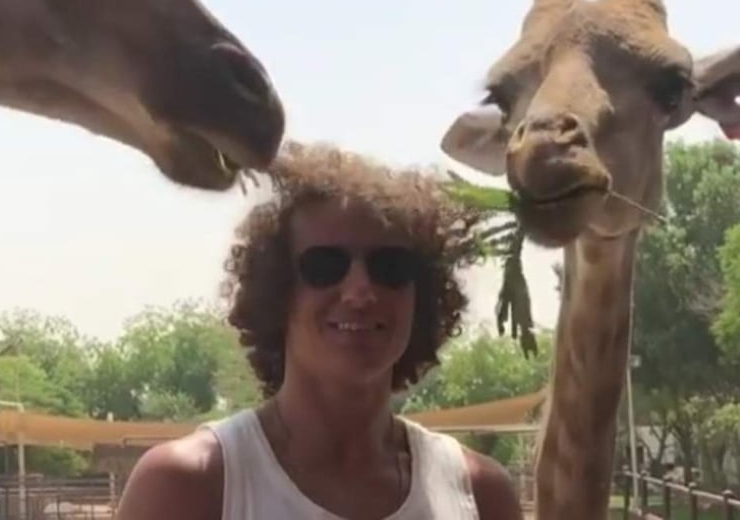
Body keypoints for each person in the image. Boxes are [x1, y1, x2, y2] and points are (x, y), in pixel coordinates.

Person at [117, 141, 524, 520]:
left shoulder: (480, 494)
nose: (361, 290)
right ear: (277, 291)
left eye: (390, 267)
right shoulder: (192, 485)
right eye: (325, 266)